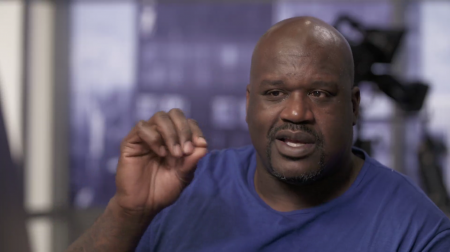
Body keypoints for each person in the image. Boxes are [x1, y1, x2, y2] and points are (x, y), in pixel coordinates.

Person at [66, 16, 450, 252]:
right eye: (275, 93)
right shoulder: (185, 187)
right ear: (249, 105)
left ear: (353, 107)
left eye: (319, 93)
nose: (297, 113)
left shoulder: (416, 231)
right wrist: (129, 212)